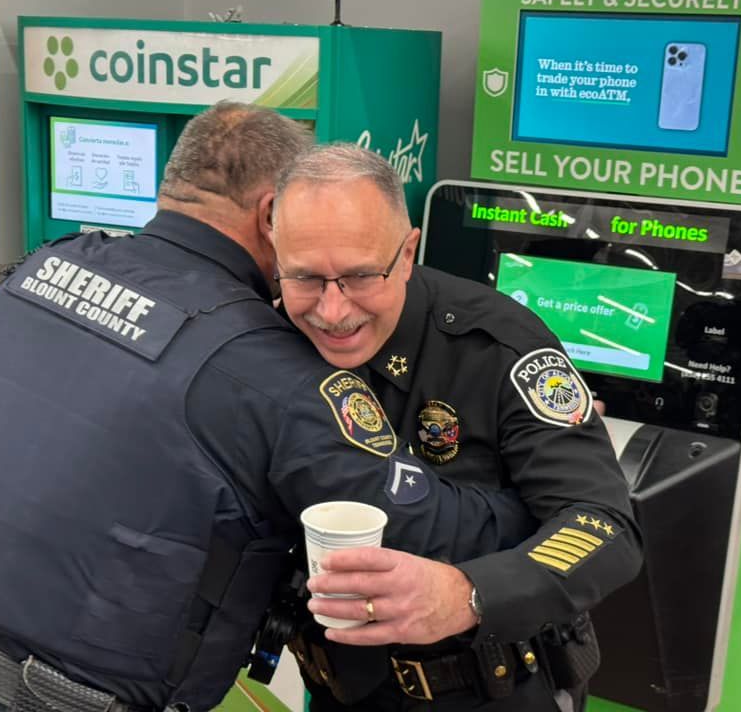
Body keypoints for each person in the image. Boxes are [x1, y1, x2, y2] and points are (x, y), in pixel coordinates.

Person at [0, 104, 540, 712]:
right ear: (273, 212)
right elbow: (427, 527)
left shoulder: (37, 272)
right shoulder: (264, 366)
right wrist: (527, 477)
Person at [269, 144, 643, 711]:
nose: (333, 310)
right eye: (305, 279)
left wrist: (469, 594)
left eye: (361, 276)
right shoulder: (270, 340)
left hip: (491, 687)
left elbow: (605, 526)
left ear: (409, 250)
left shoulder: (498, 345)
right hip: (340, 686)